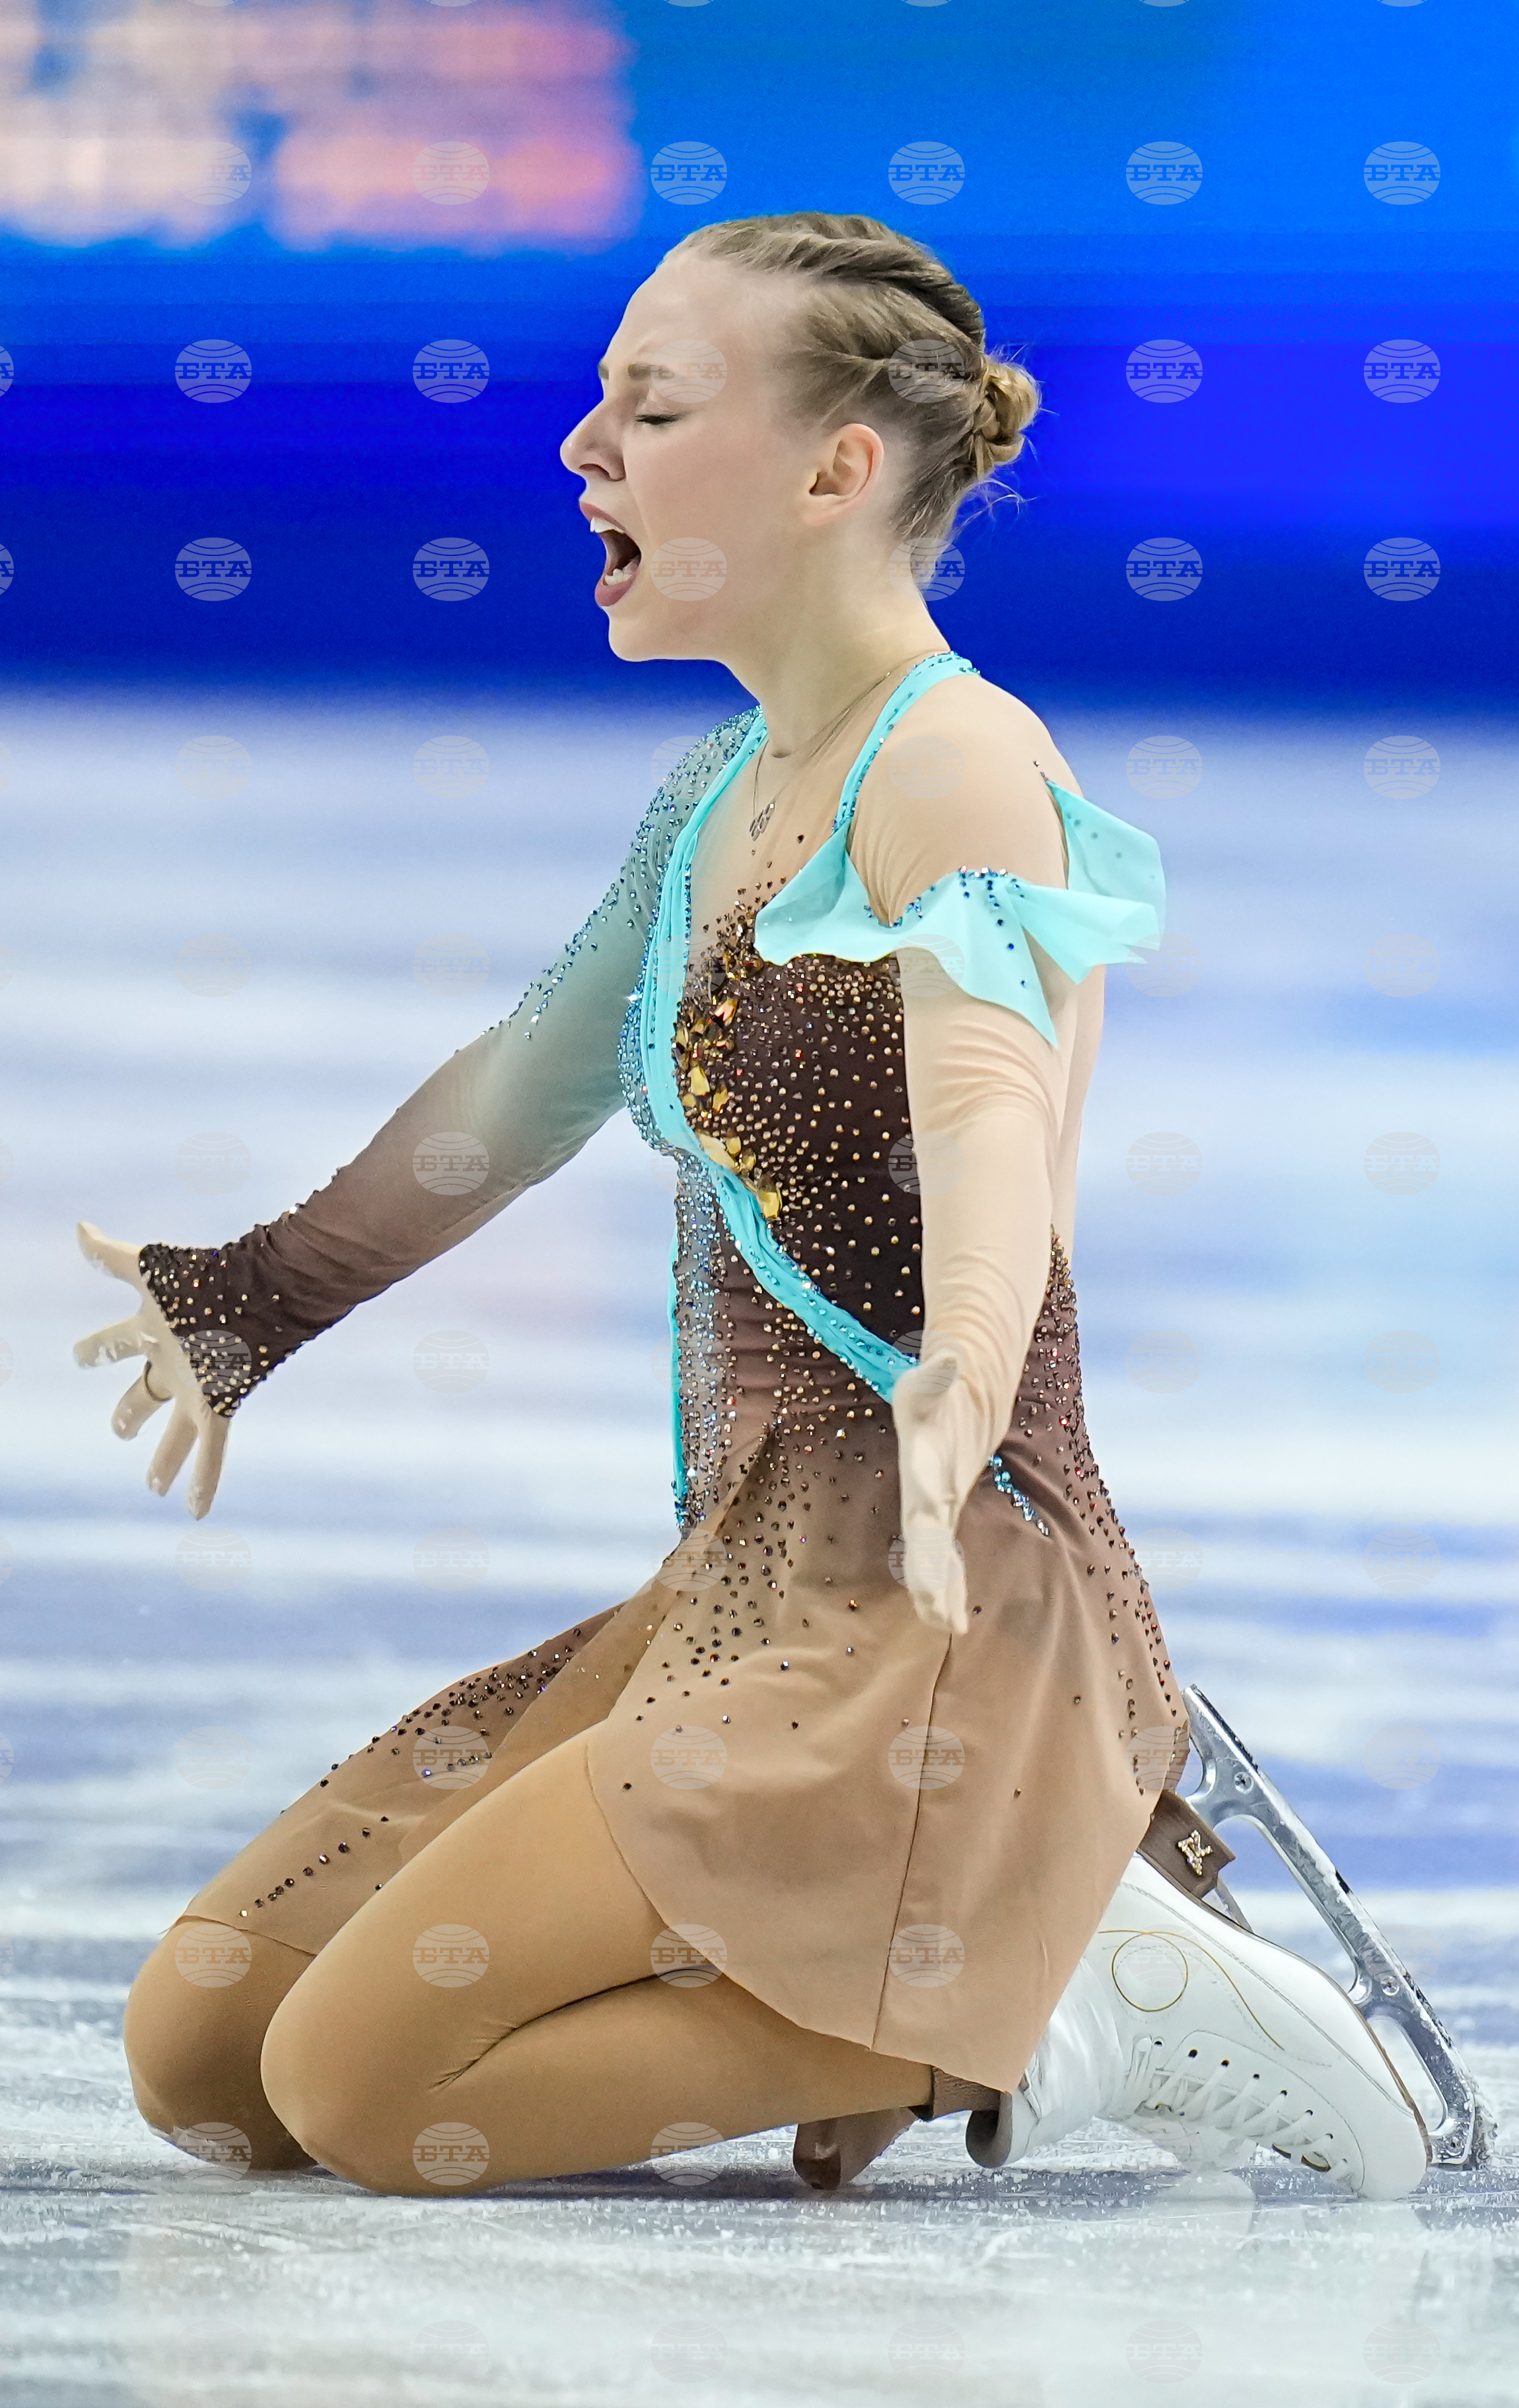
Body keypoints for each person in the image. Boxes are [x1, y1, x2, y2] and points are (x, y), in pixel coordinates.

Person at [85, 213, 1428, 2201]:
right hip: (736, 1587)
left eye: (650, 404)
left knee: (374, 2091)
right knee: (210, 2051)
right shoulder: (717, 793)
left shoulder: (956, 764)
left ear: (835, 470)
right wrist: (259, 1294)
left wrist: (967, 1362)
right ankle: (959, 1997)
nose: (579, 448)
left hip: (932, 1595)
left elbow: (986, 1103)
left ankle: (1053, 1984)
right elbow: (521, 1086)